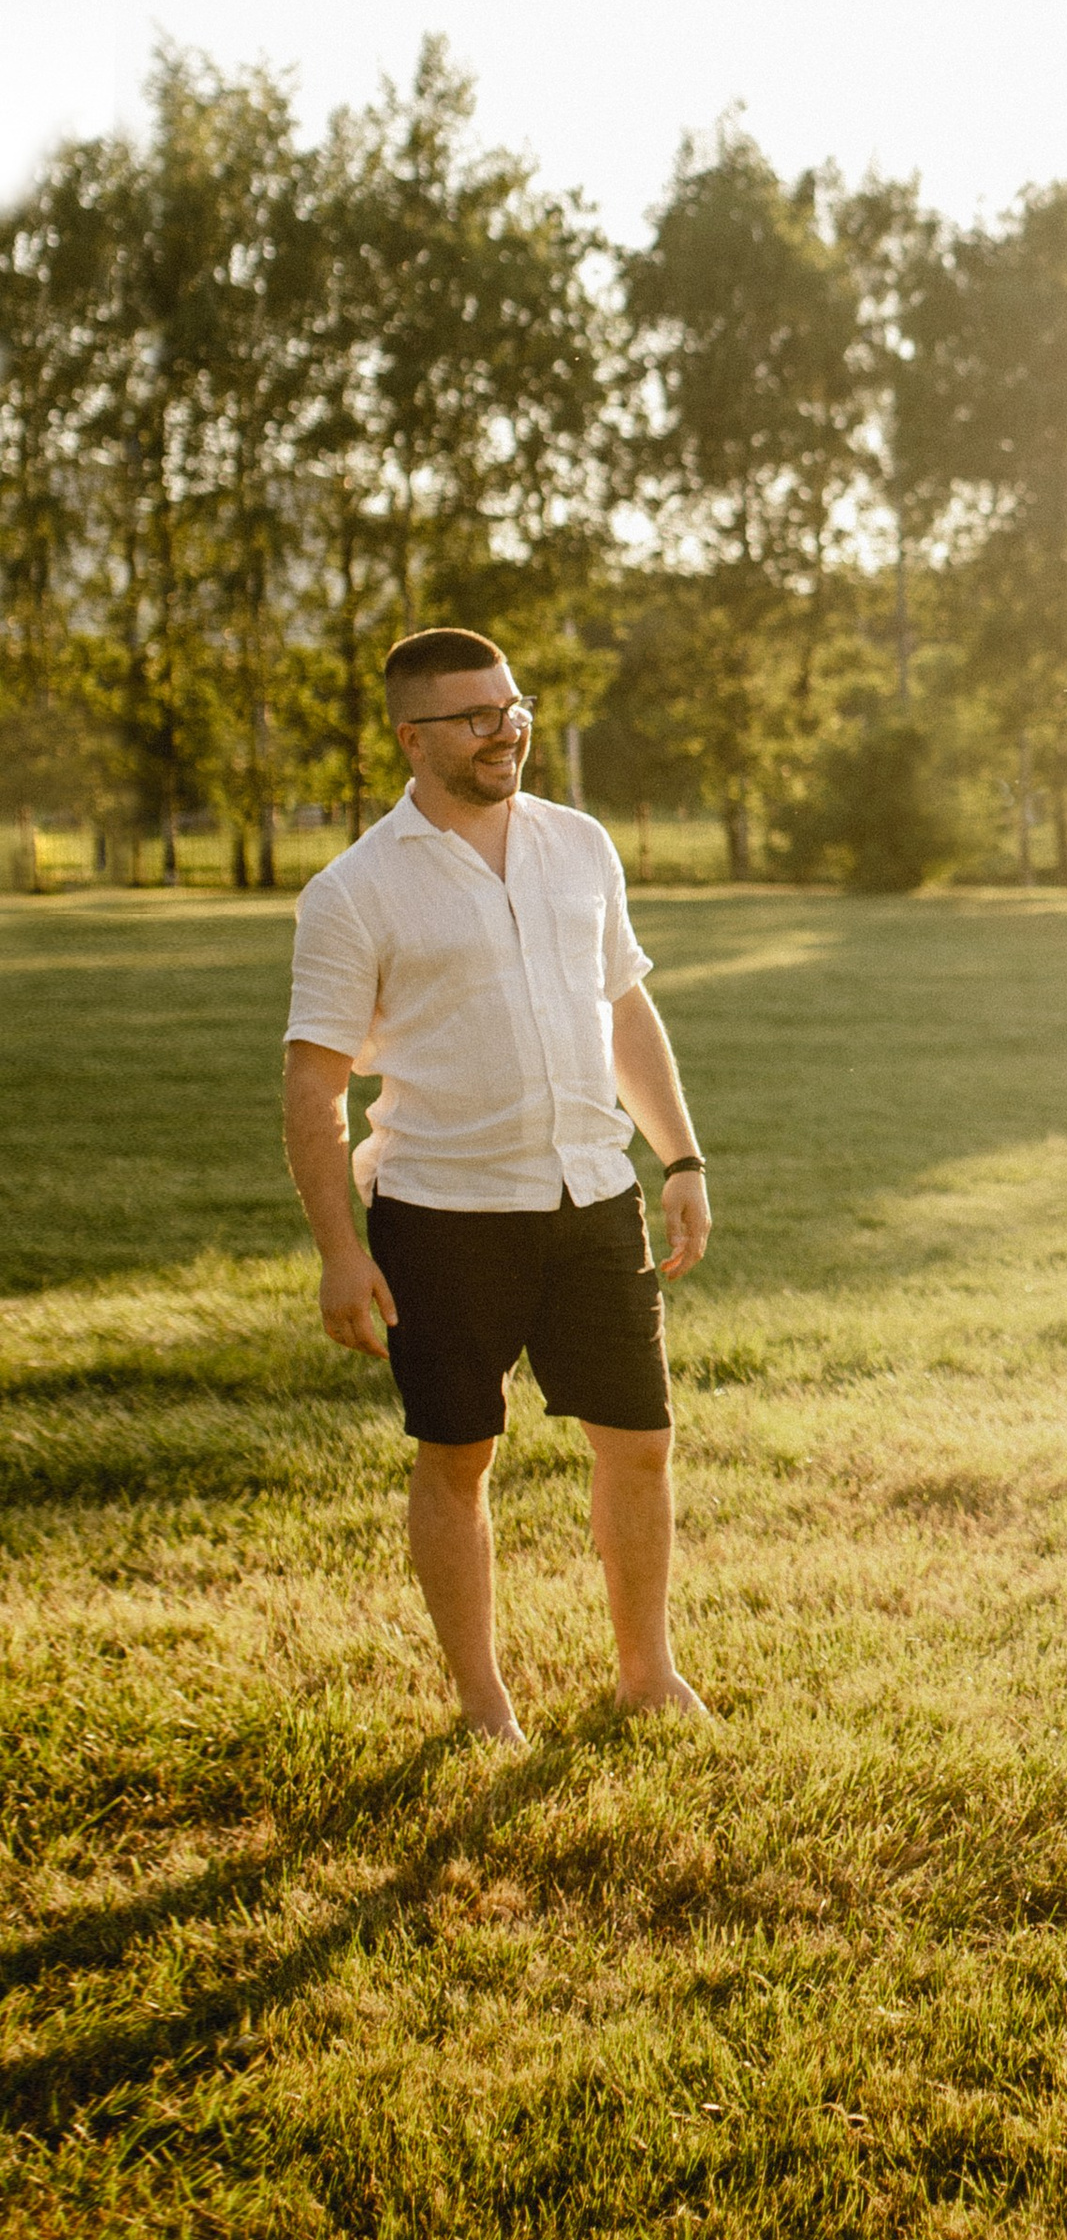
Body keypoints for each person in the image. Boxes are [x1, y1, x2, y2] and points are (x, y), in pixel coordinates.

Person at [282, 626, 715, 1745]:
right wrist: (341, 1250)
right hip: (444, 1215)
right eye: (475, 715)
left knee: (639, 1441)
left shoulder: (580, 844)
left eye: (512, 706)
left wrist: (679, 1156)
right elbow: (314, 1083)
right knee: (458, 1454)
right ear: (411, 737)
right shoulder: (354, 890)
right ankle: (483, 1704)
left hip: (592, 1195)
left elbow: (622, 1004)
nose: (505, 729)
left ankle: (646, 1672)